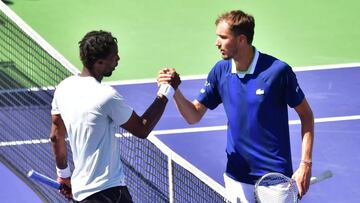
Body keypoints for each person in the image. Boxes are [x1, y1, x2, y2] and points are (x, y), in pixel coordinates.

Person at [158, 10, 314, 203]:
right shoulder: (220, 71)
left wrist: (305, 163)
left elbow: (306, 115)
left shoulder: (277, 72)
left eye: (223, 37)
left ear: (241, 39)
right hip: (237, 178)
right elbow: (193, 115)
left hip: (274, 180)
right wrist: (175, 91)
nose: (217, 43)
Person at [50, 30, 180, 202]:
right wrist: (167, 90)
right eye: (114, 56)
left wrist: (63, 175)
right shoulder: (106, 96)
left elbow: (55, 136)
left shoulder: (63, 88)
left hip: (82, 194)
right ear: (100, 62)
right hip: (110, 194)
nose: (118, 59)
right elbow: (142, 129)